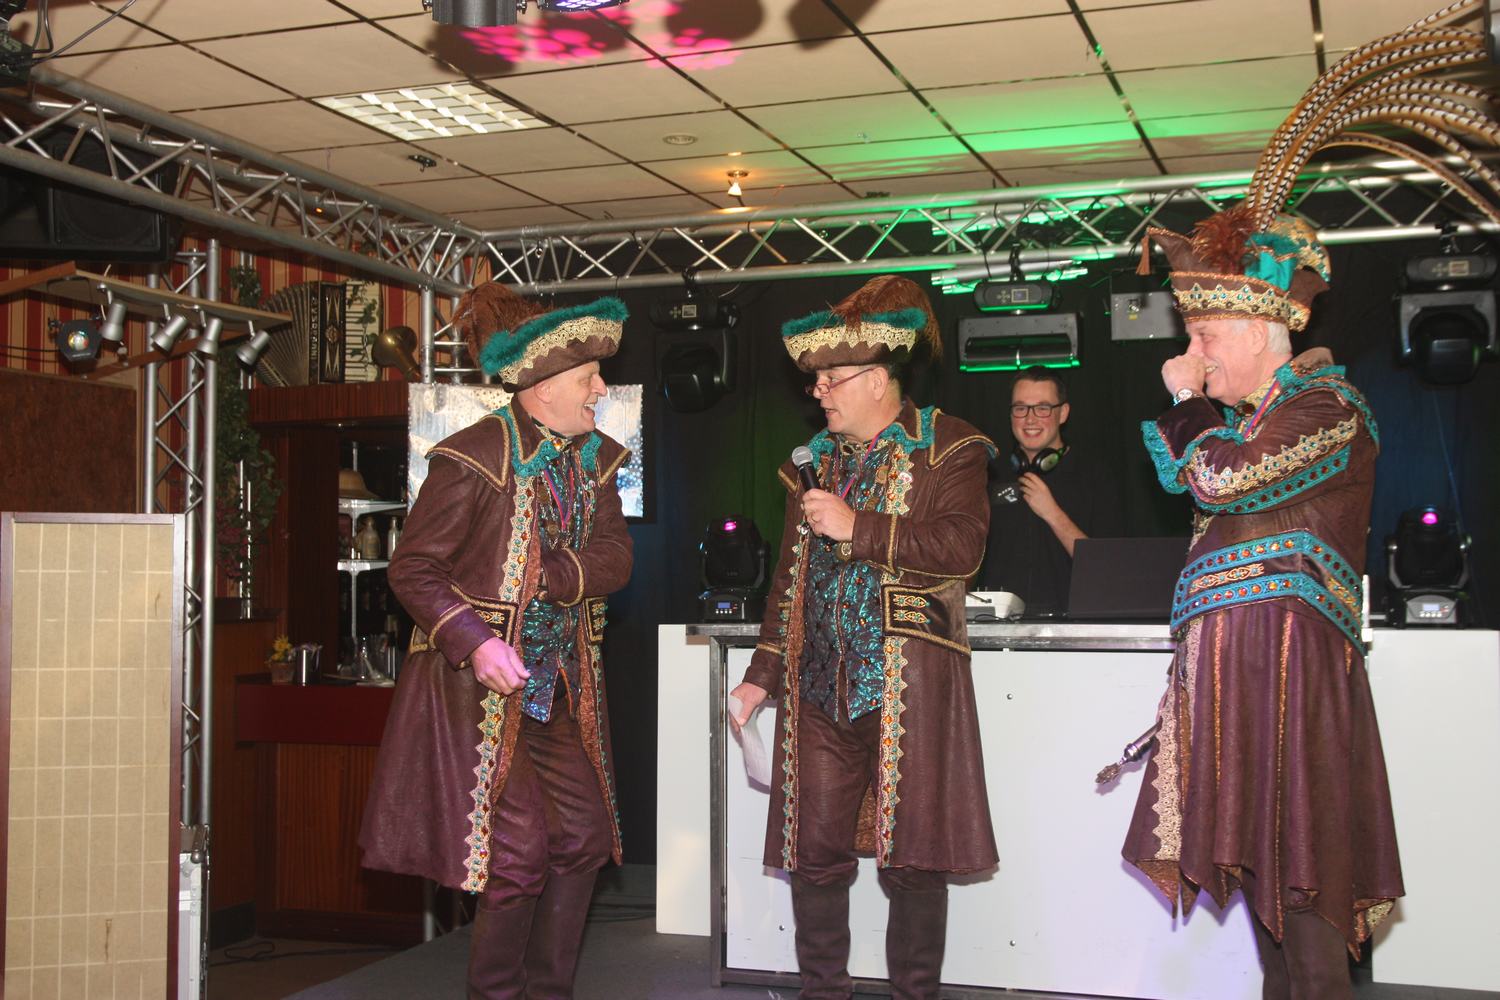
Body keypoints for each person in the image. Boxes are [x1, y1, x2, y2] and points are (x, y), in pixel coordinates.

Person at [1120, 216, 1405, 995]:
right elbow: (1188, 474)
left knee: (1303, 880)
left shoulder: (1330, 406)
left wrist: (1186, 398)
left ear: (1256, 332)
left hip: (1290, 670)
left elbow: (1222, 479)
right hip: (1234, 671)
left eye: (1205, 334)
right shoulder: (1252, 423)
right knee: (1263, 890)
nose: (1192, 350)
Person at [359, 283, 633, 1000]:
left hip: (556, 687)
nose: (600, 390)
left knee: (583, 838)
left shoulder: (599, 460)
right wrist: (477, 641)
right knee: (517, 856)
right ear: (543, 387)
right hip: (474, 694)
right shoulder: (473, 457)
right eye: (588, 377)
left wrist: (552, 574)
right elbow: (413, 570)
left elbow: (615, 559)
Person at [728, 275, 997, 1000]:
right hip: (819, 687)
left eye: (832, 379)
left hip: (910, 683)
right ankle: (823, 992)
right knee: (813, 854)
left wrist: (860, 527)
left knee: (913, 860)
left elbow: (962, 548)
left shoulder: (950, 446)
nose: (818, 391)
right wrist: (761, 674)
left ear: (878, 380)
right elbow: (788, 579)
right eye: (815, 380)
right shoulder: (811, 462)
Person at [977, 367, 1119, 614]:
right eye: (1021, 408)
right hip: (998, 625)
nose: (1030, 419)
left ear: (1063, 413)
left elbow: (1105, 568)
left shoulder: (1095, 477)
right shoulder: (989, 474)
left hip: (1072, 625)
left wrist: (1052, 513)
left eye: (1042, 408)